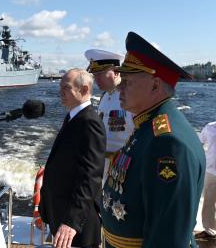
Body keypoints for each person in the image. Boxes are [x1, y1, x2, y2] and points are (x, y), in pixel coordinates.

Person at [100, 31, 205, 247]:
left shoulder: (168, 142)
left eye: (126, 81)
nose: (119, 87)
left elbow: (168, 236)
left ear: (155, 86)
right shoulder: (146, 126)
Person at [39, 68, 106, 248]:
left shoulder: (89, 122)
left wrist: (72, 221)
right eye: (60, 86)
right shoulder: (73, 117)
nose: (60, 92)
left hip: (77, 224)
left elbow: (91, 177)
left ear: (84, 90)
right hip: (61, 214)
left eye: (66, 87)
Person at [85, 49, 135, 184]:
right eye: (95, 75)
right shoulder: (105, 96)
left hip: (125, 170)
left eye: (100, 74)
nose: (96, 79)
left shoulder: (131, 98)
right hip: (103, 168)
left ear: (117, 71)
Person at [195, 121, 216, 239]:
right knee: (209, 201)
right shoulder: (209, 127)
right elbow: (198, 145)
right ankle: (210, 231)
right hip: (211, 171)